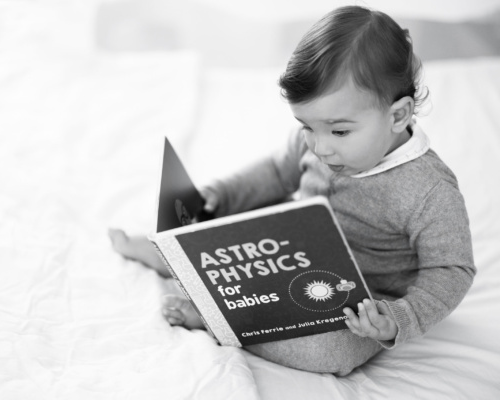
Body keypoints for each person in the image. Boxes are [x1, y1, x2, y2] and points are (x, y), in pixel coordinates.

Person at [109, 5, 476, 376]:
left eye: (339, 132)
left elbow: (451, 270)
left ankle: (215, 320)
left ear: (398, 115)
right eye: (306, 127)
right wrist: (221, 195)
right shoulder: (320, 138)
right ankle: (167, 251)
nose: (320, 147)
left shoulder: (430, 191)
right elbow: (275, 173)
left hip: (355, 303)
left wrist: (398, 318)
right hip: (292, 256)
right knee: (228, 225)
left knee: (332, 353)